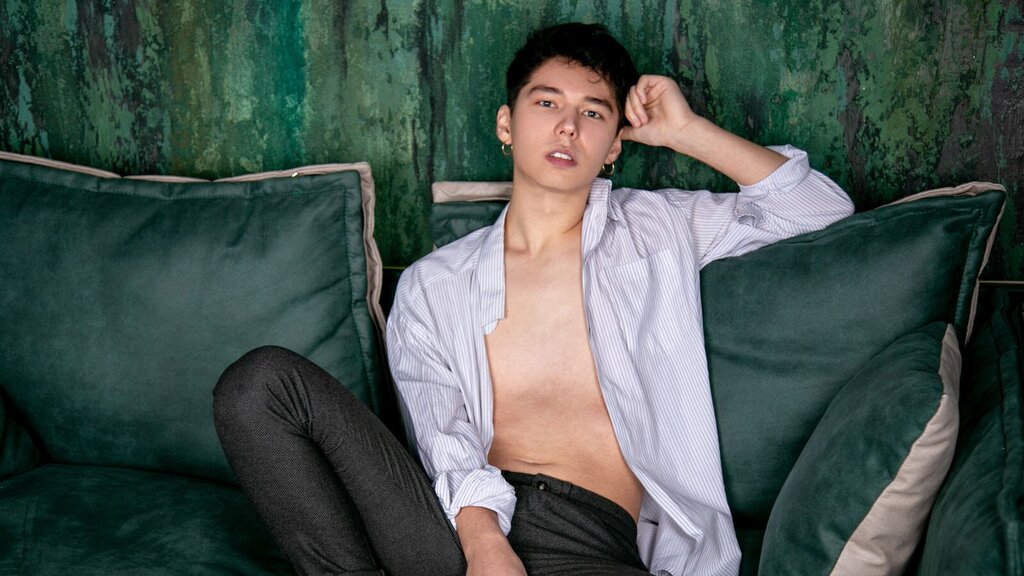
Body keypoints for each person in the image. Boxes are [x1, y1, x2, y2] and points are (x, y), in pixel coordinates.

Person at [213, 22, 854, 576]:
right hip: (455, 536)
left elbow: (818, 210)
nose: (568, 126)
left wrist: (686, 131)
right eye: (546, 102)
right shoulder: (435, 284)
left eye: (594, 113)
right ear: (507, 124)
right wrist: (486, 546)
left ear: (614, 145)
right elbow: (440, 432)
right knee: (260, 384)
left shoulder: (658, 230)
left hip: (586, 542)